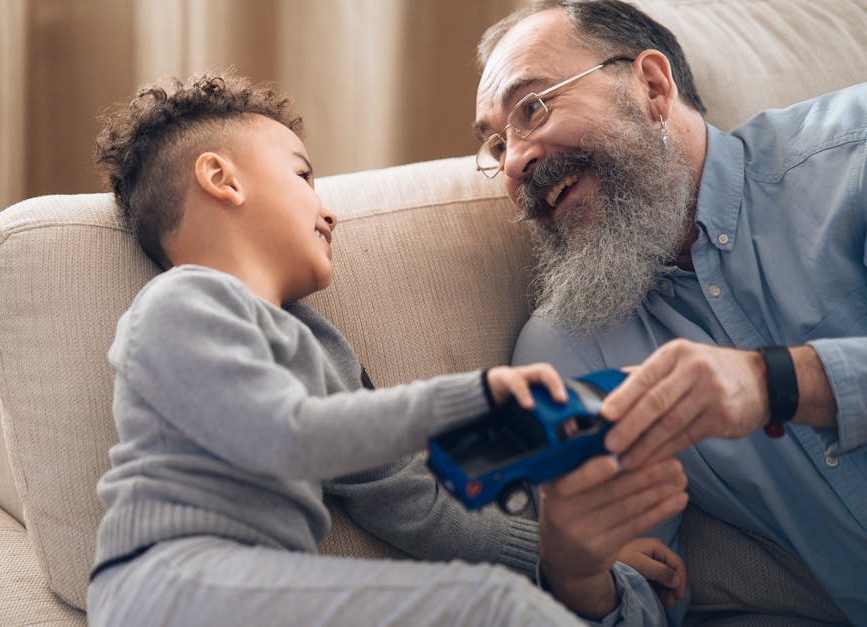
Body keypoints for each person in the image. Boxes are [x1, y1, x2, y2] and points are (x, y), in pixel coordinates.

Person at [86, 71, 686, 626]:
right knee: (495, 606)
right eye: (302, 176)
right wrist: (472, 397)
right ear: (222, 180)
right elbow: (290, 437)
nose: (329, 211)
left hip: (264, 587)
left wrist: (562, 555)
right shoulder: (182, 304)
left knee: (502, 602)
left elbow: (412, 499)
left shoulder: (318, 345)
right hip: (167, 583)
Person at [473, 0, 866, 622]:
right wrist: (576, 576)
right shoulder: (569, 349)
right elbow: (648, 596)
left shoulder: (853, 153)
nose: (515, 161)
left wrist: (778, 383)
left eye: (534, 107)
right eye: (496, 145)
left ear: (652, 86)